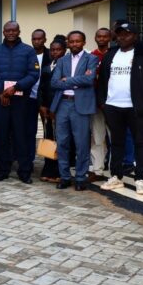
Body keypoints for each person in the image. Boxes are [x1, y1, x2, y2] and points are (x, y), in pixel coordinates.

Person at [98, 21, 143, 194]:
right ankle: (116, 176)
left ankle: (141, 178)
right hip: (113, 106)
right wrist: (103, 102)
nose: (122, 37)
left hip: (136, 108)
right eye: (119, 34)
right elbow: (103, 79)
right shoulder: (111, 54)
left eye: (126, 34)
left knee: (140, 142)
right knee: (116, 142)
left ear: (135, 36)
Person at [0, 21, 39, 183]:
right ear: (3, 32)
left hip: (21, 100)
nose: (11, 33)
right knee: (1, 135)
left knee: (21, 135)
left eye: (14, 30)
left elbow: (34, 74)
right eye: (8, 30)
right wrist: (0, 90)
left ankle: (24, 170)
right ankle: (3, 169)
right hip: (0, 100)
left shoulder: (28, 51)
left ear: (19, 31)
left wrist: (15, 87)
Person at [50, 31, 98, 191]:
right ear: (68, 43)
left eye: (78, 41)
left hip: (81, 106)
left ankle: (80, 177)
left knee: (81, 144)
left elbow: (89, 80)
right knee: (62, 143)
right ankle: (64, 177)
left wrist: (68, 80)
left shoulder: (91, 59)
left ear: (84, 42)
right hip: (62, 104)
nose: (75, 44)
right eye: (72, 41)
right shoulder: (62, 60)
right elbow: (55, 82)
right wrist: (77, 82)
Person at [37, 37, 67, 183]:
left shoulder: (68, 67)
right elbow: (41, 88)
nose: (55, 52)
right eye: (53, 50)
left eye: (58, 50)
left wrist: (55, 108)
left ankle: (61, 171)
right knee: (49, 137)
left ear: (64, 51)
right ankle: (49, 169)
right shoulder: (47, 67)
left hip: (62, 108)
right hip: (47, 109)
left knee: (62, 139)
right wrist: (42, 105)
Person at [26, 29, 50, 178]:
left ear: (44, 39)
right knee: (29, 131)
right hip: (29, 97)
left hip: (45, 99)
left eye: (39, 39)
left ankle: (49, 165)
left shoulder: (50, 54)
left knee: (48, 132)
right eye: (34, 39)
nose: (37, 41)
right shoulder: (27, 54)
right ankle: (29, 162)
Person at [89, 27, 112, 181]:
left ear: (110, 38)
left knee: (115, 138)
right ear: (95, 38)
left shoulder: (115, 55)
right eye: (99, 36)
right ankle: (97, 170)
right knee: (97, 138)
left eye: (105, 36)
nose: (102, 38)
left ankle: (114, 171)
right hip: (96, 104)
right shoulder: (91, 56)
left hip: (113, 103)